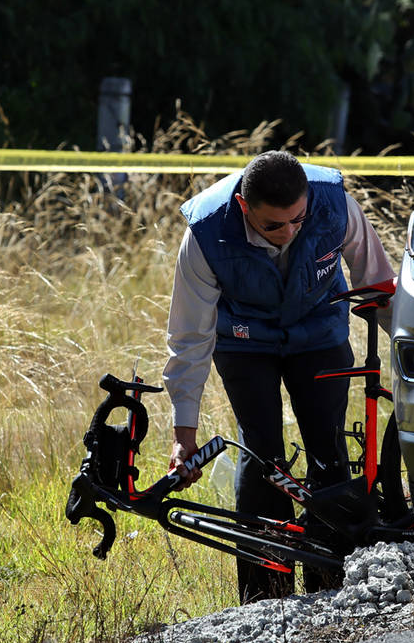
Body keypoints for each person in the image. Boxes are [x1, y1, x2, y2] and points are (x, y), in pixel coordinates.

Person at [163, 150, 395, 603]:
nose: (289, 233)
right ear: (246, 209)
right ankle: (264, 596)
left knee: (328, 450)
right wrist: (183, 433)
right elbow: (189, 337)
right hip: (245, 341)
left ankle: (330, 587)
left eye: (299, 220)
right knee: (260, 451)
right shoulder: (206, 234)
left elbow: (379, 285)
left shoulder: (335, 203)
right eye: (274, 226)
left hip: (319, 333)